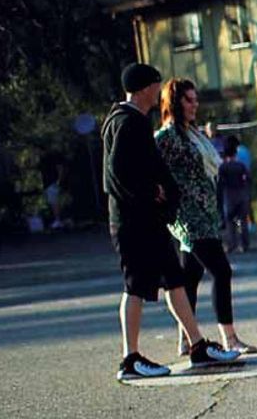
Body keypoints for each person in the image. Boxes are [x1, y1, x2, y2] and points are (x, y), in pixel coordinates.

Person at [102, 63, 240, 381]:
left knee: (175, 280)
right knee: (135, 286)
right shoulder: (125, 121)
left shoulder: (133, 120)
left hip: (151, 221)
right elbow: (117, 174)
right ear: (144, 88)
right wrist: (153, 190)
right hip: (133, 221)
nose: (157, 92)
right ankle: (130, 358)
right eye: (155, 85)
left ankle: (197, 346)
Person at [154, 79, 257, 356]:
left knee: (191, 275)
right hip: (188, 216)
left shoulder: (194, 133)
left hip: (206, 212)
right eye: (188, 100)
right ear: (174, 102)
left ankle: (186, 339)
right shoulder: (166, 137)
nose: (194, 105)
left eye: (195, 99)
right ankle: (230, 337)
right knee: (221, 270)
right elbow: (151, 167)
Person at [218, 136, 252, 254]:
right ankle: (245, 244)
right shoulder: (240, 166)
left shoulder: (223, 167)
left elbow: (220, 182)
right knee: (243, 221)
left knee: (230, 221)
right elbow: (248, 178)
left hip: (229, 195)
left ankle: (232, 244)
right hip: (241, 194)